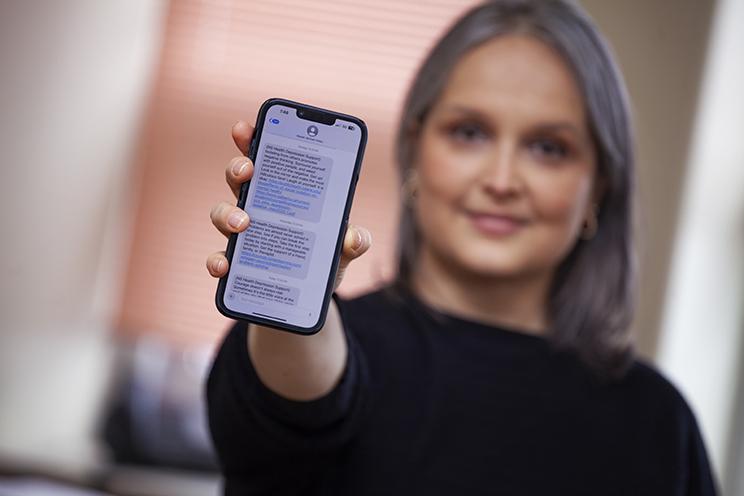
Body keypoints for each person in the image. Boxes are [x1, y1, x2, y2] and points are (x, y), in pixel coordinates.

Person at [204, 1, 718, 494]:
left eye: (548, 148)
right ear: (414, 154)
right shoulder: (303, 349)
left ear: (597, 187)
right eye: (469, 133)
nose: (501, 180)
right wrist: (285, 283)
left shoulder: (658, 423)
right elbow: (307, 395)